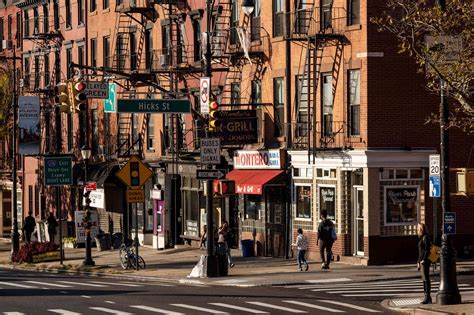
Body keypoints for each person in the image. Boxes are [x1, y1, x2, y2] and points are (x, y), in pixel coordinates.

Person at [417, 223, 432, 304]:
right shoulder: (421, 238)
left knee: (426, 279)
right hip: (421, 261)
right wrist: (418, 262)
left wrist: (423, 260)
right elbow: (420, 252)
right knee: (424, 279)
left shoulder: (425, 238)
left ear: (421, 229)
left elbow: (427, 250)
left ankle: (428, 297)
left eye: (418, 228)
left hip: (425, 262)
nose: (417, 230)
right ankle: (426, 296)